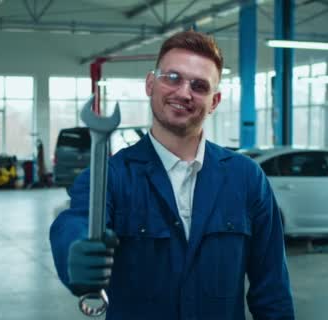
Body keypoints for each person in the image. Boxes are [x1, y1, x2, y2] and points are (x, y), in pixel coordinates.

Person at [50, 30, 295, 319]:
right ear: (151, 84)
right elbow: (74, 222)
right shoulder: (112, 177)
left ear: (214, 102)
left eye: (199, 86)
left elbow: (272, 289)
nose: (183, 93)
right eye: (173, 78)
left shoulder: (246, 177)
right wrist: (74, 253)